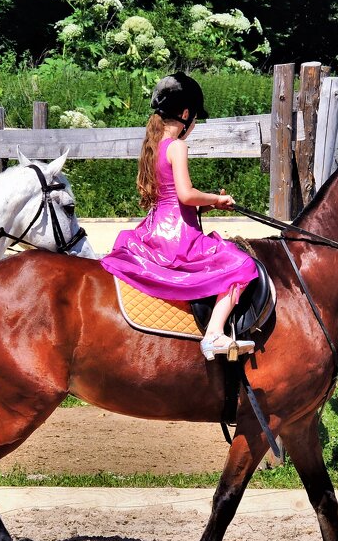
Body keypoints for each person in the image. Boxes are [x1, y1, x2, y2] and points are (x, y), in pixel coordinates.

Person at [101, 72, 259, 361]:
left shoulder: (153, 145)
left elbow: (170, 197)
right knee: (242, 266)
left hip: (153, 232)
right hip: (179, 238)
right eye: (195, 117)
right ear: (186, 114)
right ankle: (213, 334)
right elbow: (185, 195)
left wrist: (206, 206)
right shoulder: (177, 146)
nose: (194, 124)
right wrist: (217, 198)